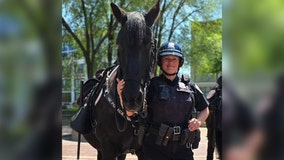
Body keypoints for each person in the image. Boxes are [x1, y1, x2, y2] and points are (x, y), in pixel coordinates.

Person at [117, 42, 209, 160]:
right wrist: (121, 95)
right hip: (154, 148)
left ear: (180, 62)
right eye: (166, 59)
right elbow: (130, 113)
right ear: (160, 62)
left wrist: (199, 121)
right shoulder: (150, 86)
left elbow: (205, 109)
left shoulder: (189, 86)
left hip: (183, 148)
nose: (170, 63)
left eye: (174, 59)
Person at [206, 75, 222, 160]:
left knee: (211, 144)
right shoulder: (215, 91)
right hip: (214, 123)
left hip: (214, 124)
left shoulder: (214, 91)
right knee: (211, 144)